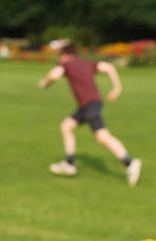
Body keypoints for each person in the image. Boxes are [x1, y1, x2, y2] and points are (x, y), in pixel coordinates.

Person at [38, 42, 142, 186]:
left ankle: (130, 163)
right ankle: (69, 163)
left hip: (89, 106)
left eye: (60, 55)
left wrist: (45, 83)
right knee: (67, 126)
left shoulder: (66, 65)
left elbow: (54, 75)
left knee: (102, 137)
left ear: (65, 55)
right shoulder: (87, 63)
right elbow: (109, 67)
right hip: (91, 104)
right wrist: (116, 88)